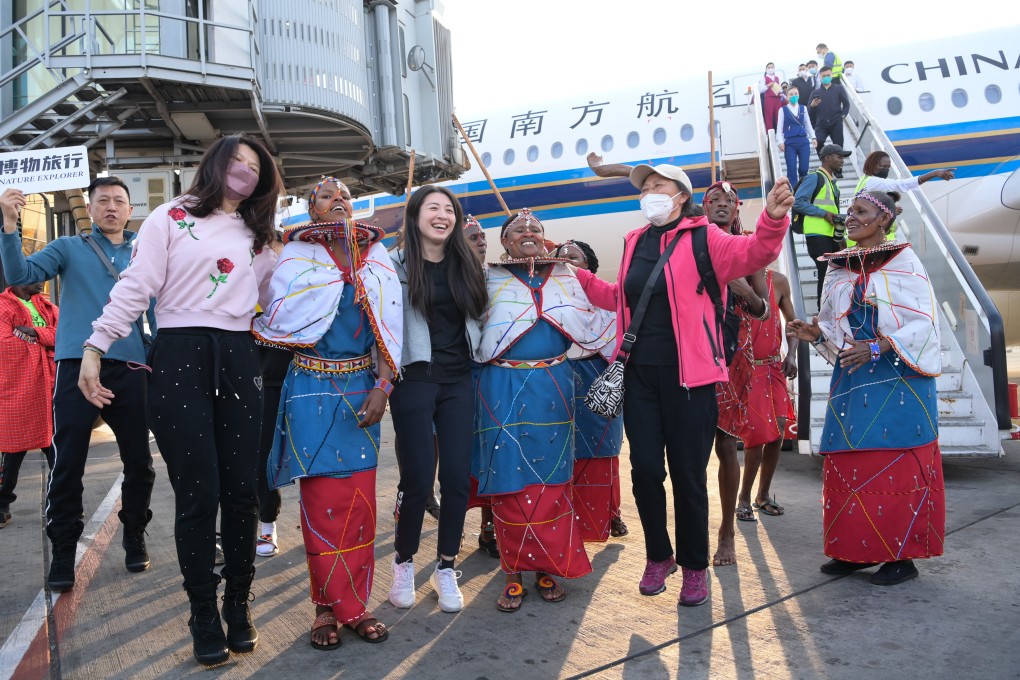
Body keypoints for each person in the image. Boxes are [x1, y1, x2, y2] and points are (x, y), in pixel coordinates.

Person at [79, 134, 281, 666]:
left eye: (254, 167)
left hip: (239, 355)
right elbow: (136, 284)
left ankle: (238, 603)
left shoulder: (260, 234)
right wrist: (96, 345)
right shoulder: (168, 217)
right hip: (178, 354)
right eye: (236, 161)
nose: (244, 172)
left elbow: (271, 304)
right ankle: (202, 612)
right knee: (198, 493)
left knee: (242, 491)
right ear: (215, 163)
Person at [575, 164, 793, 606]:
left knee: (689, 476)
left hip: (690, 378)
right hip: (639, 376)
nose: (649, 193)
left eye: (657, 186)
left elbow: (754, 253)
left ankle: (695, 567)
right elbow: (617, 297)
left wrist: (772, 218)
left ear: (680, 195)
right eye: (645, 188)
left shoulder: (704, 237)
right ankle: (659, 556)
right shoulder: (635, 240)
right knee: (646, 472)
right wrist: (573, 271)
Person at [252, 177, 401, 650]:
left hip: (362, 391)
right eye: (326, 197)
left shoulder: (377, 258)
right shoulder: (294, 259)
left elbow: (386, 330)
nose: (338, 201)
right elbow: (280, 318)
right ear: (311, 209)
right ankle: (328, 608)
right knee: (321, 505)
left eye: (346, 197)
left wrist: (383, 386)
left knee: (359, 507)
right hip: (309, 390)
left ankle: (352, 603)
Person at [0, 179, 156, 590]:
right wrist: (11, 225)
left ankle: (135, 533)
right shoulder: (68, 248)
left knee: (140, 462)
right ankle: (64, 550)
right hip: (74, 365)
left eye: (118, 201)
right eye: (102, 200)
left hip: (132, 368)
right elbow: (19, 274)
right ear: (89, 207)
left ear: (129, 208)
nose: (111, 207)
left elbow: (160, 308)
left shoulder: (146, 249)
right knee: (67, 463)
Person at [787, 191, 944, 586]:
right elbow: (833, 326)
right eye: (851, 211)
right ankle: (855, 551)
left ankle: (900, 557)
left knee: (897, 465)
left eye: (861, 212)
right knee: (850, 467)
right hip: (854, 379)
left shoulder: (905, 262)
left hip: (899, 377)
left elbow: (924, 323)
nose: (851, 217)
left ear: (884, 220)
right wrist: (813, 333)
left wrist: (879, 345)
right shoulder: (839, 268)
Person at [475, 208, 616, 612]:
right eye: (518, 229)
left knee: (552, 480)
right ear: (504, 242)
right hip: (499, 386)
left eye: (535, 228)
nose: (528, 232)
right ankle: (513, 572)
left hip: (554, 386)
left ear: (545, 238)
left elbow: (603, 313)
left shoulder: (567, 278)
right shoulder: (487, 278)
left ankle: (547, 567)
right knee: (508, 481)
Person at [387, 186, 487, 614]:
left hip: (459, 379)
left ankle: (446, 567)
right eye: (433, 208)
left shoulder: (467, 265)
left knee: (458, 477)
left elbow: (483, 315)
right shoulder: (393, 266)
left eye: (449, 209)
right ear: (415, 216)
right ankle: (404, 562)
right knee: (418, 479)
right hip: (414, 378)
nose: (442, 215)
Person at [553, 239, 628, 541]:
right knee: (562, 452)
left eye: (575, 257)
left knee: (604, 449)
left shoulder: (609, 301)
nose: (568, 261)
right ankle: (566, 518)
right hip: (559, 378)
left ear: (588, 266)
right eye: (561, 258)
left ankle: (609, 513)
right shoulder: (547, 301)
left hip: (600, 380)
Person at [0, 281, 58, 527]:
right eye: (33, 275)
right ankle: (2, 504)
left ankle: (60, 503)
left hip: (52, 387)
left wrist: (35, 333)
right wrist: (47, 345)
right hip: (20, 389)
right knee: (13, 451)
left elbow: (65, 334)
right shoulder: (3, 307)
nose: (40, 280)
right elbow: (4, 344)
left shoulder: (48, 307)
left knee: (59, 450)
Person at [254, 234, 290, 558]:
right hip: (264, 387)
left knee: (312, 459)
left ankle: (321, 522)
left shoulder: (306, 296)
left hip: (305, 382)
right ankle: (267, 523)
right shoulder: (248, 300)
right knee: (264, 456)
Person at [794, 144, 850, 305]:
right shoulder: (814, 178)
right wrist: (824, 214)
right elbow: (798, 202)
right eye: (839, 157)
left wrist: (841, 237)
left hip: (831, 235)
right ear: (827, 158)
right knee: (825, 273)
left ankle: (832, 309)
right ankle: (823, 313)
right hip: (817, 235)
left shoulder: (832, 182)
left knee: (834, 274)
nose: (842, 161)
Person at [776, 87, 815, 187]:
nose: (794, 96)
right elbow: (779, 128)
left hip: (803, 141)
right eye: (791, 94)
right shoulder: (783, 110)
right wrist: (780, 142)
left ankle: (803, 189)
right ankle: (793, 192)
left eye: (796, 94)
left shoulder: (803, 108)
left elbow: (808, 125)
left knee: (804, 168)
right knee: (791, 169)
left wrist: (813, 137)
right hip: (790, 143)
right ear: (787, 97)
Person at [808, 68, 850, 152]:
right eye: (823, 76)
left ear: (831, 75)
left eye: (828, 75)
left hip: (836, 122)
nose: (826, 77)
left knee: (838, 146)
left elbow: (846, 104)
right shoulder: (815, 92)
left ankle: (838, 163)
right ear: (820, 77)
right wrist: (812, 106)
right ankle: (826, 160)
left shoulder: (839, 88)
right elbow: (809, 110)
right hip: (821, 124)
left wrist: (842, 116)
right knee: (818, 142)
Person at [759, 62, 785, 132]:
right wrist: (768, 85)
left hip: (778, 98)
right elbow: (761, 90)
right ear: (766, 69)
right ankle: (770, 134)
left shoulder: (777, 78)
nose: (770, 69)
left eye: (772, 67)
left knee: (779, 116)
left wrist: (781, 91)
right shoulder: (764, 78)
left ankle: (781, 133)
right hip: (769, 98)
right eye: (769, 68)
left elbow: (781, 90)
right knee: (769, 116)